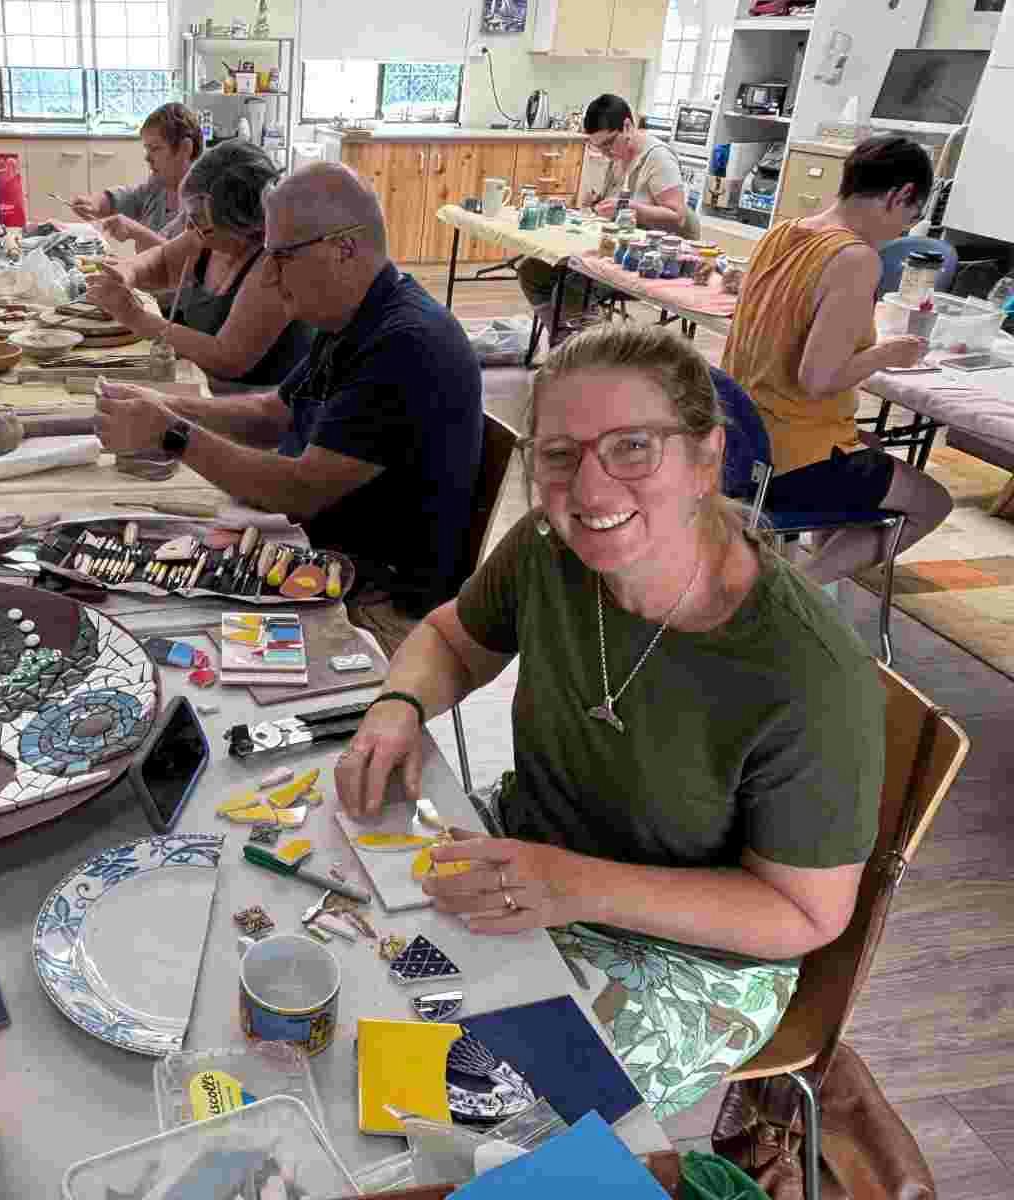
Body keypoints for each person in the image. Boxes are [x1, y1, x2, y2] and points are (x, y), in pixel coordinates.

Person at [335, 324, 882, 1118]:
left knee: (448, 1113)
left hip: (691, 955)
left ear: (706, 458)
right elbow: (453, 636)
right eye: (558, 455)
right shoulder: (546, 553)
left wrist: (571, 886)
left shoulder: (807, 674)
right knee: (347, 993)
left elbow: (805, 913)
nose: (589, 493)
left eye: (633, 447)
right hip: (533, 856)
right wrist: (400, 703)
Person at [94, 162, 483, 642]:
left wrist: (170, 434)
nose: (270, 276)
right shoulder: (353, 316)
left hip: (376, 598)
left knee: (150, 625)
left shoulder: (406, 343)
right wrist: (166, 406)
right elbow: (272, 414)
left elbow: (298, 489)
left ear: (345, 248)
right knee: (130, 568)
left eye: (281, 257)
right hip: (322, 545)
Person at [721, 135, 952, 585]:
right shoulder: (854, 258)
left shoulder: (783, 232)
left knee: (872, 447)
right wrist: (884, 353)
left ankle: (797, 580)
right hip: (789, 458)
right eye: (910, 216)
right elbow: (818, 378)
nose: (903, 230)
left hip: (740, 438)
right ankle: (795, 593)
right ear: (900, 195)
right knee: (932, 502)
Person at [84, 139, 313, 389]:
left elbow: (227, 358)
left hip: (253, 402)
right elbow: (162, 262)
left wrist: (136, 317)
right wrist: (127, 272)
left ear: (241, 225)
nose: (189, 229)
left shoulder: (275, 264)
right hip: (204, 383)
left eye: (200, 222)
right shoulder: (204, 238)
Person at [518, 94, 695, 331]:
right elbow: (612, 203)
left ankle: (594, 355)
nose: (605, 152)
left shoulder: (658, 159)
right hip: (612, 249)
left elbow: (678, 216)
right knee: (532, 271)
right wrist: (596, 203)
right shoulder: (617, 157)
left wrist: (630, 208)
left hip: (648, 259)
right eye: (597, 146)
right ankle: (565, 342)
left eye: (608, 144)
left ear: (627, 126)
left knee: (572, 290)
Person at [70, 102, 201, 251]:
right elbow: (131, 196)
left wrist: (137, 232)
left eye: (156, 148)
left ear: (185, 148)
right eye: (147, 149)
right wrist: (96, 202)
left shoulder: (204, 204)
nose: (148, 158)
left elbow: (184, 260)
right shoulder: (158, 185)